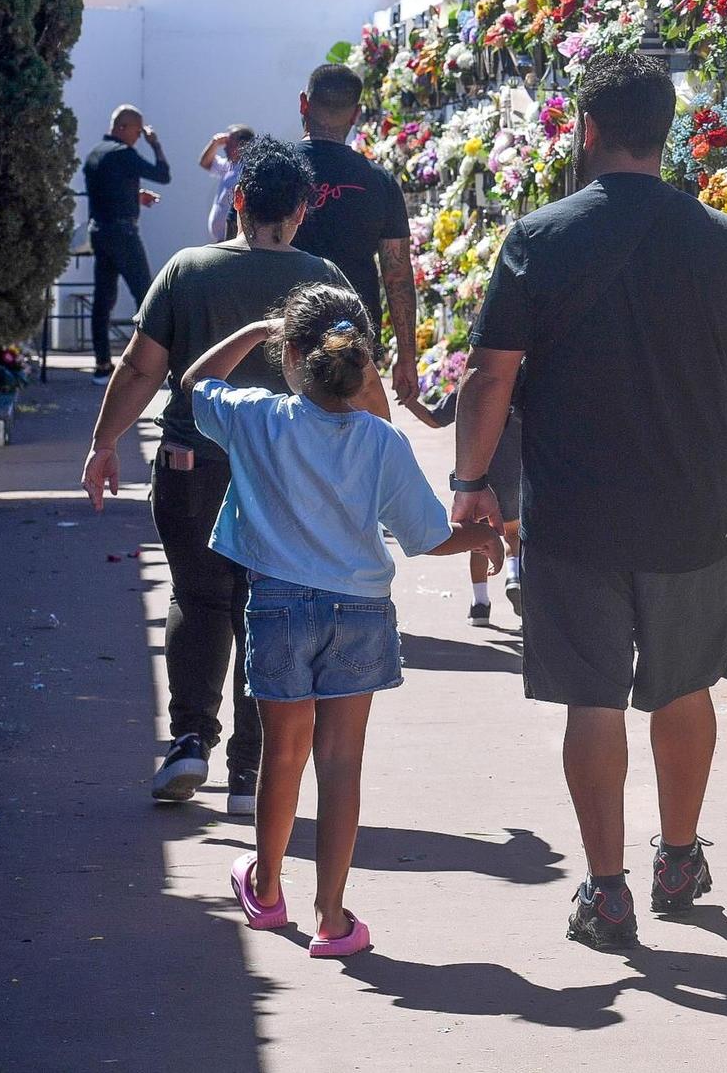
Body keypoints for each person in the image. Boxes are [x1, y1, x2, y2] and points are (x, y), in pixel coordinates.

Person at [452, 52, 727, 952]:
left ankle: (607, 893)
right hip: (688, 510)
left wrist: (472, 482)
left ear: (589, 130)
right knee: (683, 688)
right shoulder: (722, 241)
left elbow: (491, 375)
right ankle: (679, 859)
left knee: (593, 700)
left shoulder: (539, 236)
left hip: (575, 515)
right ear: (665, 133)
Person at [182, 284, 502, 959]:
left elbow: (194, 381)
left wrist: (258, 325)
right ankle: (332, 918)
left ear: (291, 356)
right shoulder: (381, 442)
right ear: (362, 362)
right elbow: (425, 536)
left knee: (283, 753)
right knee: (341, 762)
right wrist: (476, 539)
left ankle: (266, 888)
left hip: (278, 607)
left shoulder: (257, 417)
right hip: (359, 612)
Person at [81, 136, 365, 816]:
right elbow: (352, 382)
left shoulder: (187, 269)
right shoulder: (325, 281)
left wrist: (103, 442)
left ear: (238, 201)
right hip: (289, 479)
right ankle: (249, 775)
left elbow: (141, 367)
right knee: (263, 614)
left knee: (200, 597)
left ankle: (188, 740)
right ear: (301, 209)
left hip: (191, 466)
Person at [291, 64, 419, 410]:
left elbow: (237, 251)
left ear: (304, 103)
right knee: (356, 446)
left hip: (282, 337)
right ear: (357, 114)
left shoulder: (273, 172)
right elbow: (397, 275)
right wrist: (407, 358)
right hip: (353, 344)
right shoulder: (379, 182)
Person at [405, 381, 524, 625]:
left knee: (479, 538)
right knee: (513, 533)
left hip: (476, 475)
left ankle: (480, 604)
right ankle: (513, 576)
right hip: (515, 472)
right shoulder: (521, 386)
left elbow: (434, 419)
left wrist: (408, 401)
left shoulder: (470, 387)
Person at [83, 105, 171, 377]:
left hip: (99, 232)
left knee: (103, 298)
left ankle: (101, 364)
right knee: (146, 296)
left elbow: (108, 191)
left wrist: (135, 196)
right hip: (123, 234)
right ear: (122, 127)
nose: (139, 136)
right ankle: (147, 363)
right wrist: (155, 145)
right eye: (137, 131)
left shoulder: (95, 154)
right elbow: (163, 175)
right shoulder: (124, 154)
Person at [199, 124, 256, 243]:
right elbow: (205, 163)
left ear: (243, 145)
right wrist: (214, 143)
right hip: (221, 240)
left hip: (234, 239)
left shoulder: (250, 169)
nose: (224, 147)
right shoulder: (228, 165)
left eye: (229, 143)